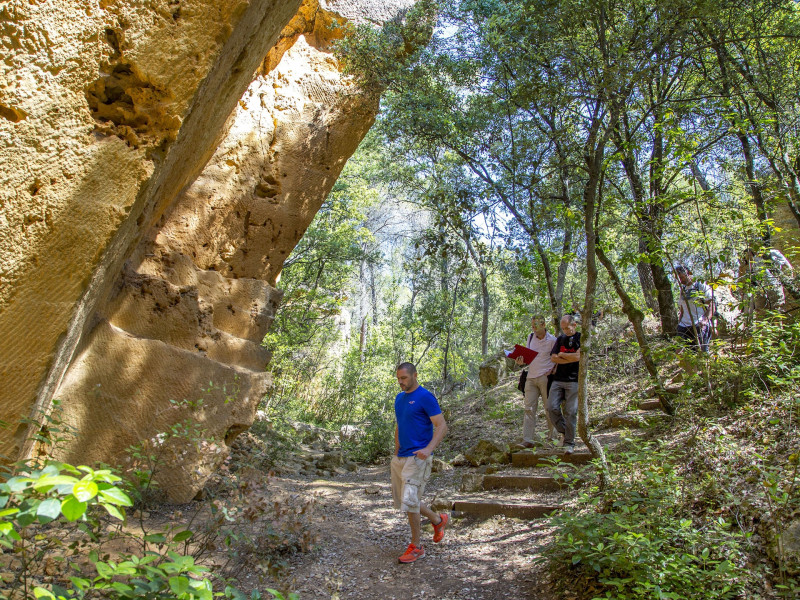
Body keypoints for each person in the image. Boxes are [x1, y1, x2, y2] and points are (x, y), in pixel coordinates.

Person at [392, 362, 449, 563]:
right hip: (402, 457)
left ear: (415, 375)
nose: (400, 382)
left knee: (409, 501)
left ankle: (417, 547)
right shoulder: (399, 398)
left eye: (404, 378)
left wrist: (428, 449)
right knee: (406, 500)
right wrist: (396, 450)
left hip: (418, 457)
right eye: (398, 378)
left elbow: (442, 426)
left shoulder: (425, 397)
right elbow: (400, 425)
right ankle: (437, 520)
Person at [515, 315, 558, 448]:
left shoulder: (552, 340)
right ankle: (528, 439)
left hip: (545, 378)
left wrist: (552, 370)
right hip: (531, 377)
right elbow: (529, 357)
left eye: (536, 325)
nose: (533, 327)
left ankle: (553, 439)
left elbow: (557, 359)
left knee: (549, 408)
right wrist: (521, 361)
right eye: (532, 325)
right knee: (529, 409)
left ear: (543, 325)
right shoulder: (530, 337)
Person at [546, 315, 581, 455]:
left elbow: (579, 357)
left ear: (575, 325)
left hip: (573, 380)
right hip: (558, 379)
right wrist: (568, 357)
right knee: (551, 407)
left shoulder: (580, 338)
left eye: (567, 327)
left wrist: (562, 355)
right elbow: (553, 357)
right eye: (563, 328)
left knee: (571, 412)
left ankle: (569, 443)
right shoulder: (560, 339)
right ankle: (566, 432)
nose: (565, 330)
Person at [739, 246, 794, 314]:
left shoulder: (772, 253)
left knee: (777, 312)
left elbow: (788, 268)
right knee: (760, 313)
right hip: (760, 290)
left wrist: (788, 280)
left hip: (774, 287)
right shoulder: (750, 259)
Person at [675, 265, 713, 352]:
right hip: (683, 325)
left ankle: (706, 365)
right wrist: (679, 323)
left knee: (701, 353)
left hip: (698, 324)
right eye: (678, 278)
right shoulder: (683, 290)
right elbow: (682, 309)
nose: (680, 280)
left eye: (681, 277)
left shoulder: (700, 286)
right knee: (679, 352)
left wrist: (705, 321)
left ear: (688, 274)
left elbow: (712, 304)